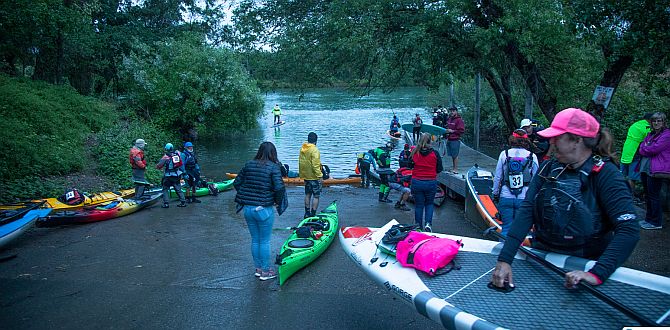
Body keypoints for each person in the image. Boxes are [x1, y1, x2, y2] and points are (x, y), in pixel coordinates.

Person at [491, 108, 639, 290]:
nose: (551, 143)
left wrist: (596, 274)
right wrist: (505, 259)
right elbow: (527, 211)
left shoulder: (607, 176)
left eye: (557, 137)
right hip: (543, 259)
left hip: (585, 264)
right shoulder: (547, 168)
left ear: (577, 140)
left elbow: (629, 230)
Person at [234, 141, 287, 281]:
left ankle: (258, 269)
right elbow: (280, 188)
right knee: (264, 241)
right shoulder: (274, 167)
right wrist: (276, 201)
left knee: (255, 240)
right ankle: (265, 271)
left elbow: (237, 183)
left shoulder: (249, 164)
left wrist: (246, 196)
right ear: (273, 153)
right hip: (264, 209)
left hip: (248, 209)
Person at [492, 129, 539, 237]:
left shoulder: (504, 154)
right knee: (522, 231)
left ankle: (503, 251)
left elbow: (498, 177)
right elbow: (536, 180)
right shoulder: (532, 156)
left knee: (506, 228)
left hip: (506, 196)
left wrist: (495, 193)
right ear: (526, 140)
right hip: (524, 198)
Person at [638, 112, 670, 230]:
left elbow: (654, 149)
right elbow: (641, 147)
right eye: (654, 121)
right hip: (646, 168)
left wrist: (645, 147)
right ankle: (648, 219)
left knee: (654, 196)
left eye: (659, 121)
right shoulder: (651, 134)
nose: (656, 123)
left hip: (656, 169)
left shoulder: (667, 135)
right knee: (648, 195)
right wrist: (646, 147)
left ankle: (656, 222)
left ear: (663, 122)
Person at [410, 133, 443, 232]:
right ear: (430, 141)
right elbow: (439, 168)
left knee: (419, 205)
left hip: (417, 182)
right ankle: (428, 224)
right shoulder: (435, 153)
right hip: (430, 182)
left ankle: (418, 226)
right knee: (429, 204)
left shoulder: (415, 152)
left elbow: (409, 165)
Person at [620, 113, 652, 196]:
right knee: (632, 178)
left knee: (622, 176)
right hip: (635, 155)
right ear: (649, 119)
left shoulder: (635, 124)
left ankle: (620, 193)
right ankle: (630, 196)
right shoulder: (647, 127)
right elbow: (651, 139)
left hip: (626, 152)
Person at [299, 132, 323, 218]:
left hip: (306, 176)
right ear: (316, 141)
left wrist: (302, 175)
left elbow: (301, 163)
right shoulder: (315, 150)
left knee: (307, 194)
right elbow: (315, 165)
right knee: (316, 196)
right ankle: (313, 214)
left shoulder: (303, 148)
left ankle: (306, 213)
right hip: (314, 177)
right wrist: (320, 176)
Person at [156, 143, 187, 208]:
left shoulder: (165, 157)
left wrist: (157, 166)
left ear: (166, 149)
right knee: (178, 189)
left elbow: (159, 166)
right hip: (177, 175)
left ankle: (166, 203)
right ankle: (183, 202)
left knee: (165, 189)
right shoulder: (177, 155)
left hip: (168, 176)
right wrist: (184, 173)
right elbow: (181, 164)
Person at [445, 106, 465, 174]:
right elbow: (448, 128)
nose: (452, 112)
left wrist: (452, 131)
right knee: (452, 155)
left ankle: (456, 169)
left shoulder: (459, 120)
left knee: (455, 155)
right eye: (451, 111)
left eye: (453, 111)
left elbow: (461, 131)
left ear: (456, 111)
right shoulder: (449, 119)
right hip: (449, 139)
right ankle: (453, 168)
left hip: (455, 139)